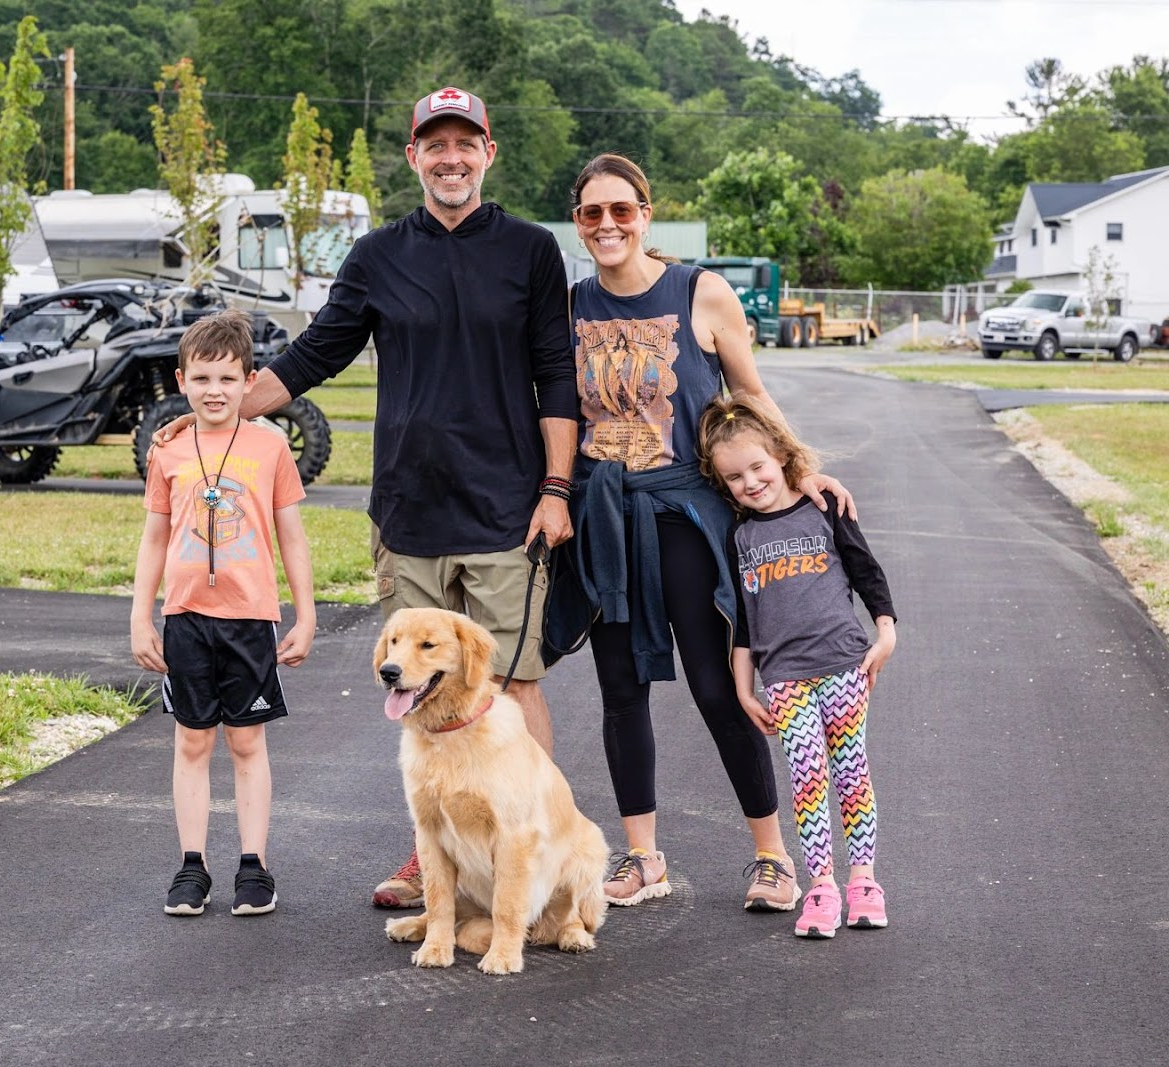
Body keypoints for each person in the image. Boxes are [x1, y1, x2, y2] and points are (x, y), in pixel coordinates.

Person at [156, 86, 578, 910]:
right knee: (419, 699)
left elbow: (556, 373)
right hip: (409, 514)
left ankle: (535, 855)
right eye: (434, 144)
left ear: (488, 152)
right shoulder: (380, 254)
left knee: (513, 688)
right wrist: (207, 414)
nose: (450, 157)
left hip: (507, 512)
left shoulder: (530, 251)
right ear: (414, 156)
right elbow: (315, 353)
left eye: (465, 143)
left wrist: (557, 487)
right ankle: (437, 860)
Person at [552, 152, 851, 913]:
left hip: (687, 516)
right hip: (606, 522)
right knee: (620, 692)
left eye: (623, 209)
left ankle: (772, 855)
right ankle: (643, 854)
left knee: (721, 687)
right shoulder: (569, 306)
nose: (609, 224)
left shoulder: (701, 292)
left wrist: (800, 468)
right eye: (593, 213)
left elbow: (749, 392)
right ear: (578, 222)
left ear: (646, 214)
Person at [131, 309, 316, 918]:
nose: (215, 392)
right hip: (186, 616)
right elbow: (154, 539)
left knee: (246, 742)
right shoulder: (168, 450)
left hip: (250, 619)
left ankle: (253, 865)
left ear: (249, 381)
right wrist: (140, 617)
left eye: (228, 380)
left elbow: (292, 537)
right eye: (203, 379)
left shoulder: (269, 447)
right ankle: (192, 866)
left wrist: (306, 614)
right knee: (191, 743)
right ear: (182, 380)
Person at [699, 394, 896, 938]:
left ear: (781, 457)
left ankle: (864, 882)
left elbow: (865, 571)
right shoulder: (741, 538)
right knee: (808, 781)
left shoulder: (824, 508)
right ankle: (823, 889)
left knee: (852, 774)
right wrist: (744, 689)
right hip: (783, 679)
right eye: (734, 477)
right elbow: (741, 619)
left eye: (757, 467)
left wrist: (886, 631)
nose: (750, 482)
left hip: (842, 665)